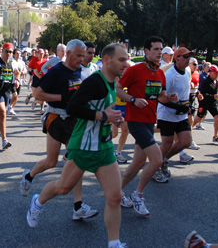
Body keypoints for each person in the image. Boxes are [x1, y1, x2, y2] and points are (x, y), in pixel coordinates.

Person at [26, 43, 129, 248]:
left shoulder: (112, 81)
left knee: (115, 196)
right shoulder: (94, 81)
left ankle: (114, 243)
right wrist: (103, 115)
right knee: (63, 188)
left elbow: (103, 108)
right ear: (107, 60)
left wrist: (112, 118)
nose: (126, 64)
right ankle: (38, 202)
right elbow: (73, 107)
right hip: (83, 144)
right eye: (121, 59)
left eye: (126, 59)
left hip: (104, 146)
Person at [19, 40, 99, 221]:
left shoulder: (80, 70)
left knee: (76, 159)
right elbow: (39, 95)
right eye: (78, 55)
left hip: (74, 120)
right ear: (68, 54)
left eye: (83, 55)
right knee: (51, 162)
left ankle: (78, 206)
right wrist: (62, 97)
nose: (82, 58)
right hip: (56, 119)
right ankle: (29, 176)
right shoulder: (56, 71)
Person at [116, 36, 178, 215]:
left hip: (150, 121)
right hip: (135, 120)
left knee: (138, 162)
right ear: (146, 51)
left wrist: (169, 98)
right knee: (157, 160)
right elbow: (118, 89)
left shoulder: (160, 73)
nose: (160, 53)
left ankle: (117, 192)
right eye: (156, 49)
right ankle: (138, 194)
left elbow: (160, 96)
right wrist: (133, 100)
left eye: (161, 49)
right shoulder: (135, 70)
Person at [156, 47, 197, 180]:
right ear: (177, 58)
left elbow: (186, 91)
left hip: (181, 114)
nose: (188, 60)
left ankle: (165, 160)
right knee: (167, 143)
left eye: (189, 57)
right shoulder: (169, 75)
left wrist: (189, 105)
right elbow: (160, 98)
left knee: (186, 141)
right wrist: (177, 107)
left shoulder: (187, 71)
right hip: (167, 113)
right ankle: (155, 167)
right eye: (185, 57)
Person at [192, 64, 218, 143]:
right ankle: (185, 131)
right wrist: (213, 96)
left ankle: (215, 136)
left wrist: (216, 98)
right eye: (216, 73)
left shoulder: (216, 81)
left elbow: (215, 93)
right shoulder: (205, 81)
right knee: (198, 119)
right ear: (211, 72)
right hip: (204, 103)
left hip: (213, 104)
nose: (217, 74)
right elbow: (202, 94)